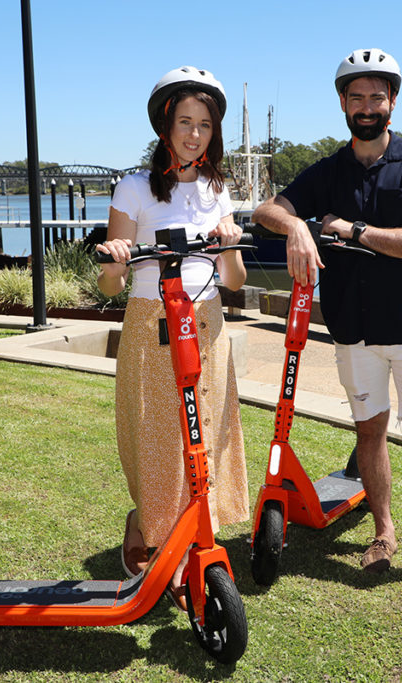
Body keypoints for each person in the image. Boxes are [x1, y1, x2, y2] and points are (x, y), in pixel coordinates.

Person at [252, 49, 402, 603]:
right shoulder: (328, 171)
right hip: (352, 331)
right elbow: (265, 209)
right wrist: (298, 230)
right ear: (343, 104)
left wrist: (352, 231)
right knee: (370, 433)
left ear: (393, 103)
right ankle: (383, 533)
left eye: (377, 96)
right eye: (357, 97)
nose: (368, 106)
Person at [96, 66, 249, 610]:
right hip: (149, 319)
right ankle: (153, 527)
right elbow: (109, 284)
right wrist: (115, 259)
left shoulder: (217, 189)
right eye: (184, 122)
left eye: (204, 125)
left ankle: (191, 540)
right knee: (158, 435)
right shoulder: (134, 187)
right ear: (165, 126)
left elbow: (234, 282)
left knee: (205, 435)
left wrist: (229, 243)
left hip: (207, 324)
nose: (194, 134)